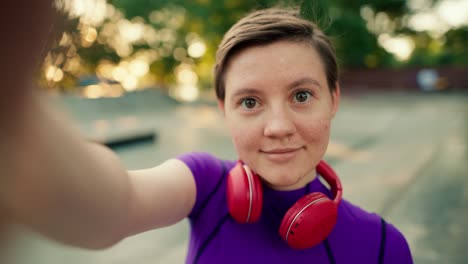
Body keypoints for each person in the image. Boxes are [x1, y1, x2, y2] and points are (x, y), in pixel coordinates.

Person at [0, 4, 413, 264]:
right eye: (249, 102)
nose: (279, 126)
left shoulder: (382, 244)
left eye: (302, 95)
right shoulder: (204, 185)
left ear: (334, 99)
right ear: (224, 111)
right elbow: (112, 208)